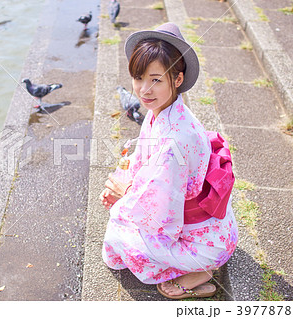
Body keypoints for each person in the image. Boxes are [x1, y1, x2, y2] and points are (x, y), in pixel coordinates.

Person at [100, 22, 238, 299]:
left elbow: (161, 212)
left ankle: (199, 270)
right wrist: (124, 186)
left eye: (156, 79)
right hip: (209, 225)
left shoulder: (174, 139)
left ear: (177, 79)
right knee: (117, 230)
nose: (144, 90)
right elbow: (144, 166)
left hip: (202, 240)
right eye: (138, 78)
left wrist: (124, 194)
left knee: (118, 244)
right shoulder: (165, 110)